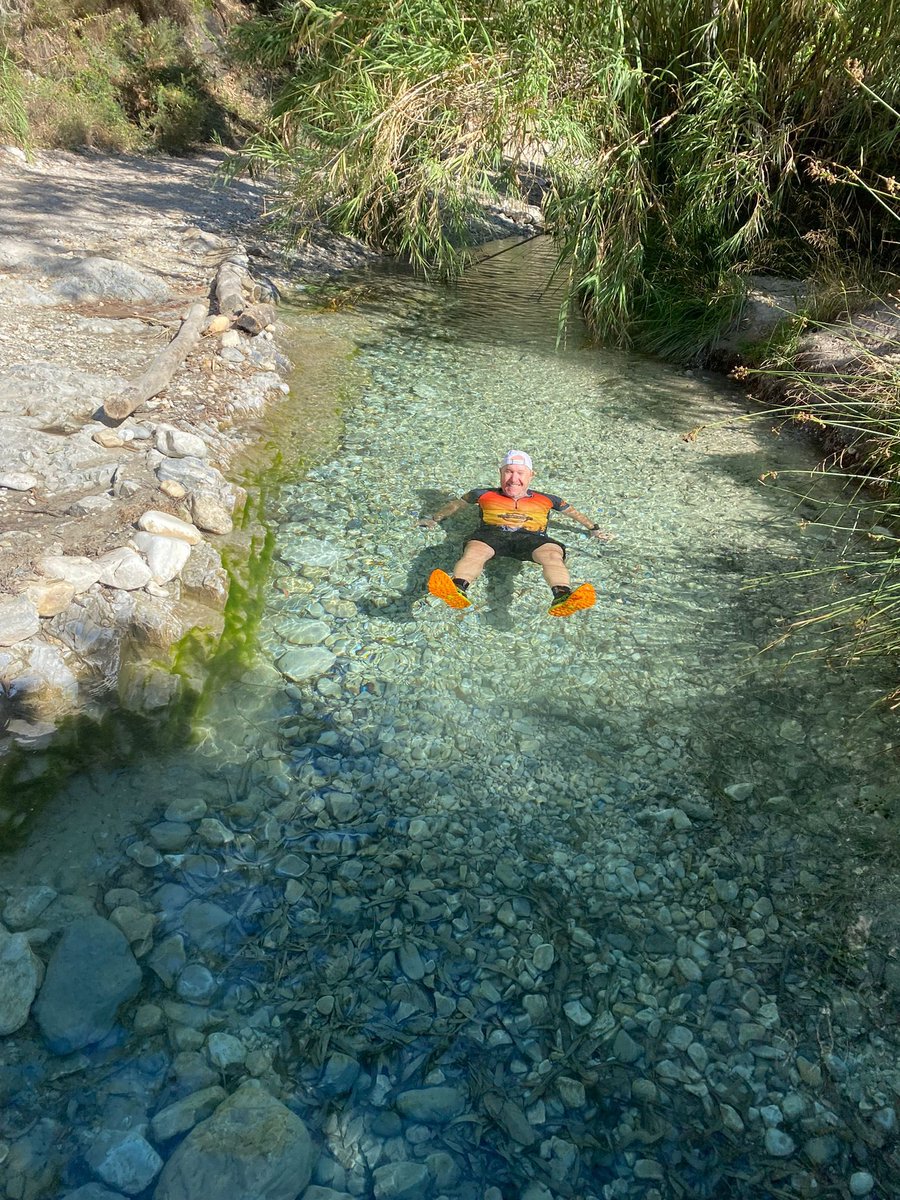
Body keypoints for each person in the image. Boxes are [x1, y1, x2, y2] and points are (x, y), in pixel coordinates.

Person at [417, 450, 614, 616]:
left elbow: (574, 514)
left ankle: (562, 596)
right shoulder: (481, 494)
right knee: (475, 552)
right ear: (500, 473)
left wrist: (594, 529)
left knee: (553, 554)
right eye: (508, 472)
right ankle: (457, 588)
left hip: (533, 538)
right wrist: (434, 519)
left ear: (531, 475)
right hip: (491, 535)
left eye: (520, 473)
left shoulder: (548, 499)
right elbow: (455, 505)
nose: (514, 479)